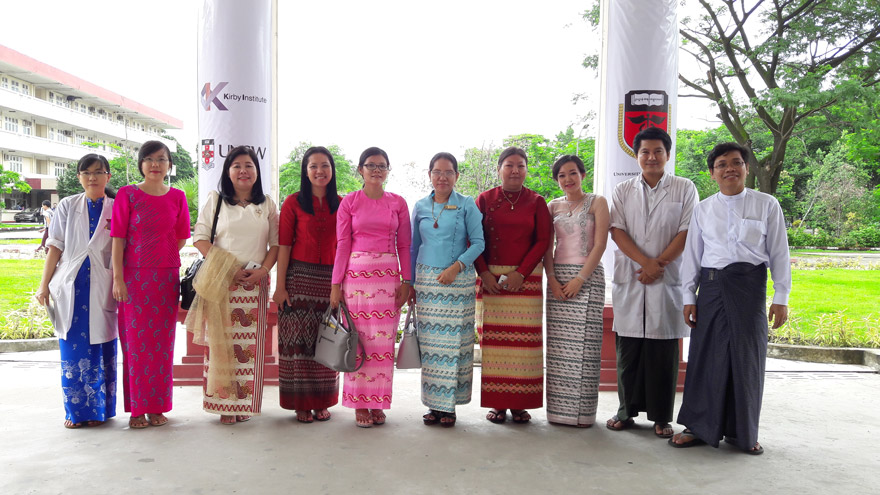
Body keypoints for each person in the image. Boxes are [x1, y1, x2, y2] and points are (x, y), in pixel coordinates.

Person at [669, 142, 790, 455]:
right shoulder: (704, 208)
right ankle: (698, 426)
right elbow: (692, 256)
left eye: (736, 163)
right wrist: (688, 297)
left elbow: (779, 253)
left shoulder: (767, 205)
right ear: (712, 173)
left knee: (746, 359)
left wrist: (782, 295)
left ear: (746, 168)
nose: (729, 169)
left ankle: (742, 432)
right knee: (705, 358)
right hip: (710, 288)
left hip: (749, 290)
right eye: (721, 164)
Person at [607, 127, 698, 438]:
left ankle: (661, 417)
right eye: (645, 152)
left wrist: (658, 265)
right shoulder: (622, 191)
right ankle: (625, 412)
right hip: (633, 277)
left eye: (658, 151)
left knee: (663, 354)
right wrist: (645, 263)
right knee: (628, 350)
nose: (651, 157)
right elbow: (616, 230)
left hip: (666, 278)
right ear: (636, 156)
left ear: (667, 155)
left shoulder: (684, 188)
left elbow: (687, 231)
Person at [189, 146, 279, 425]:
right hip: (223, 283)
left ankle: (244, 403)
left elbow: (276, 244)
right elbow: (200, 238)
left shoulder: (267, 204)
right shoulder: (216, 200)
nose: (243, 171)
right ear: (228, 172)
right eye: (237, 165)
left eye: (249, 165)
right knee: (221, 346)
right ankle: (225, 404)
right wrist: (230, 268)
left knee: (250, 350)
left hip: (255, 285)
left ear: (256, 171)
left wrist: (263, 270)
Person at [110, 140, 191, 429]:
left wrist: (162, 253)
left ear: (170, 165)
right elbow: (118, 238)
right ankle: (136, 410)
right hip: (134, 279)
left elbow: (182, 236)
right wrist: (118, 278)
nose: (155, 164)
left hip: (166, 279)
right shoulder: (127, 194)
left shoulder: (178, 196)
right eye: (149, 159)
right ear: (141, 164)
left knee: (162, 345)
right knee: (135, 345)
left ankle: (157, 407)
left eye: (161, 159)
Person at [330, 146, 412, 428]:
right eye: (371, 165)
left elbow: (405, 244)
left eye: (382, 166)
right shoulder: (350, 202)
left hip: (388, 280)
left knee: (383, 345)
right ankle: (359, 404)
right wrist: (335, 284)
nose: (376, 170)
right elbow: (342, 245)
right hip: (356, 280)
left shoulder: (398, 203)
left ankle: (377, 402)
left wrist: (407, 280)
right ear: (360, 170)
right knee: (358, 341)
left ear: (388, 170)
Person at [35, 154, 117, 429]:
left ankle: (99, 411)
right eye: (86, 173)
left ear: (108, 176)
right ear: (80, 177)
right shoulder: (68, 206)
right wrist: (43, 284)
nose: (92, 178)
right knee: (72, 350)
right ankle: (77, 411)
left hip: (102, 285)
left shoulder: (116, 208)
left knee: (99, 347)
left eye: (97, 172)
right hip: (72, 285)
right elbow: (55, 246)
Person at [474, 146, 551, 425]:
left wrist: (521, 272)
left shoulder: (537, 202)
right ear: (499, 169)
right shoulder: (484, 199)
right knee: (494, 345)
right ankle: (498, 403)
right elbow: (474, 238)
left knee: (524, 347)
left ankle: (520, 404)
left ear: (526, 170)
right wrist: (483, 273)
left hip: (526, 282)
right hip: (491, 280)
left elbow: (543, 240)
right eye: (509, 165)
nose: (515, 170)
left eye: (520, 165)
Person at [410, 152, 485, 427]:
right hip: (428, 284)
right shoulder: (419, 206)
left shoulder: (467, 205)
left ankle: (449, 408)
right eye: (437, 172)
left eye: (448, 172)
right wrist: (410, 283)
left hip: (458, 280)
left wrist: (456, 267)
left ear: (457, 176)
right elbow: (412, 247)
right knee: (431, 348)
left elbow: (478, 243)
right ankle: (433, 405)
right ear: (429, 174)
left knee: (454, 345)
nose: (442, 177)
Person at [273, 146, 342, 423]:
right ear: (305, 170)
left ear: (332, 170)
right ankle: (301, 403)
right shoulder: (292, 203)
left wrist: (342, 284)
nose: (319, 171)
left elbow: (346, 246)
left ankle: (323, 401)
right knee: (298, 344)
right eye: (313, 166)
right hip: (298, 279)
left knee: (326, 340)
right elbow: (284, 246)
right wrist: (280, 286)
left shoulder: (342, 203)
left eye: (324, 165)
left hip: (330, 280)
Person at [544, 155, 609, 427]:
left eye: (572, 173)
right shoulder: (552, 206)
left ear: (583, 174)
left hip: (588, 279)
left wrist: (580, 279)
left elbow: (600, 245)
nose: (567, 179)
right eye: (561, 175)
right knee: (559, 350)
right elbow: (547, 248)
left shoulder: (598, 202)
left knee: (586, 349)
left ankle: (583, 415)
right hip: (558, 279)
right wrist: (553, 280)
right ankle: (558, 413)